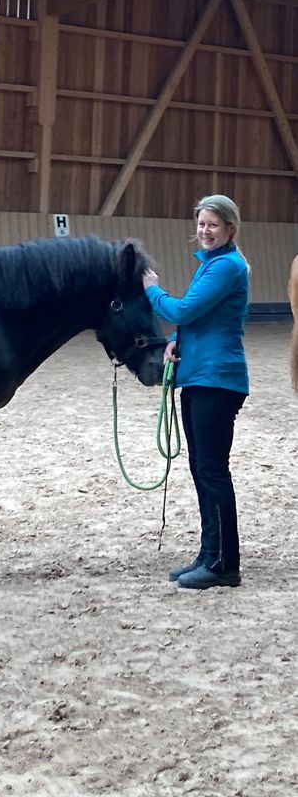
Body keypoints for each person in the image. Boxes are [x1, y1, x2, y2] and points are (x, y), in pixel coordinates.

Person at [142, 194, 249, 590]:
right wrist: (179, 342)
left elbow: (184, 309)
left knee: (212, 470)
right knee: (202, 469)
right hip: (200, 375)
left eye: (213, 225)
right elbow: (196, 320)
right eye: (202, 224)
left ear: (229, 229)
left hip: (216, 380)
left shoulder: (226, 267)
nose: (205, 231)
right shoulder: (213, 265)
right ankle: (210, 554)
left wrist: (153, 290)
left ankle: (224, 563)